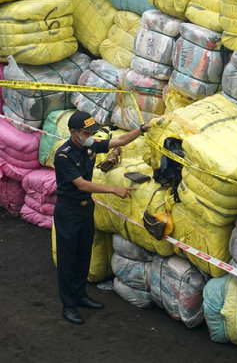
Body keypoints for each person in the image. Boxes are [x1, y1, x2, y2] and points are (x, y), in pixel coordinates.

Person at [53, 111, 150, 324]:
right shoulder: (63, 155)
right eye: (86, 133)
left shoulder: (89, 145)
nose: (90, 136)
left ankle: (81, 295)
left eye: (91, 132)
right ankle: (68, 304)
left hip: (86, 209)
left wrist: (141, 129)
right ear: (73, 132)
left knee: (83, 254)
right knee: (68, 259)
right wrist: (113, 190)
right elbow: (82, 184)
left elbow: (120, 140)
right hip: (68, 212)